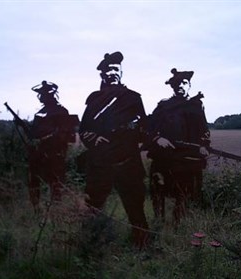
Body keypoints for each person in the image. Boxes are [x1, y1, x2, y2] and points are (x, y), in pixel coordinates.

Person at [79, 51, 149, 248]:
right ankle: (89, 244)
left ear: (121, 72)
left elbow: (144, 130)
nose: (112, 73)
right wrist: (95, 139)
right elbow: (84, 130)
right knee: (93, 207)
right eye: (108, 70)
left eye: (116, 69)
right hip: (100, 164)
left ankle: (142, 246)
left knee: (135, 209)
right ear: (102, 74)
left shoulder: (133, 98)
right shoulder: (94, 99)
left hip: (127, 163)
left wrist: (136, 129)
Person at [146, 68, 211, 224]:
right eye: (177, 83)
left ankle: (179, 227)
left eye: (184, 82)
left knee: (184, 196)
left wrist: (204, 145)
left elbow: (204, 130)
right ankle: (158, 225)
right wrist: (157, 138)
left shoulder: (196, 105)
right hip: (165, 158)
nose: (181, 86)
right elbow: (149, 127)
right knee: (159, 193)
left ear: (189, 85)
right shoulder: (163, 106)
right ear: (172, 86)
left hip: (188, 160)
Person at [26, 80, 78, 209]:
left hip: (55, 153)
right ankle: (36, 209)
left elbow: (65, 134)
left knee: (55, 185)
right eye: (40, 94)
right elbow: (34, 133)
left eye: (43, 94)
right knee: (34, 182)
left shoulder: (60, 111)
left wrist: (50, 138)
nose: (41, 96)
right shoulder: (41, 112)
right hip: (39, 153)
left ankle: (57, 213)